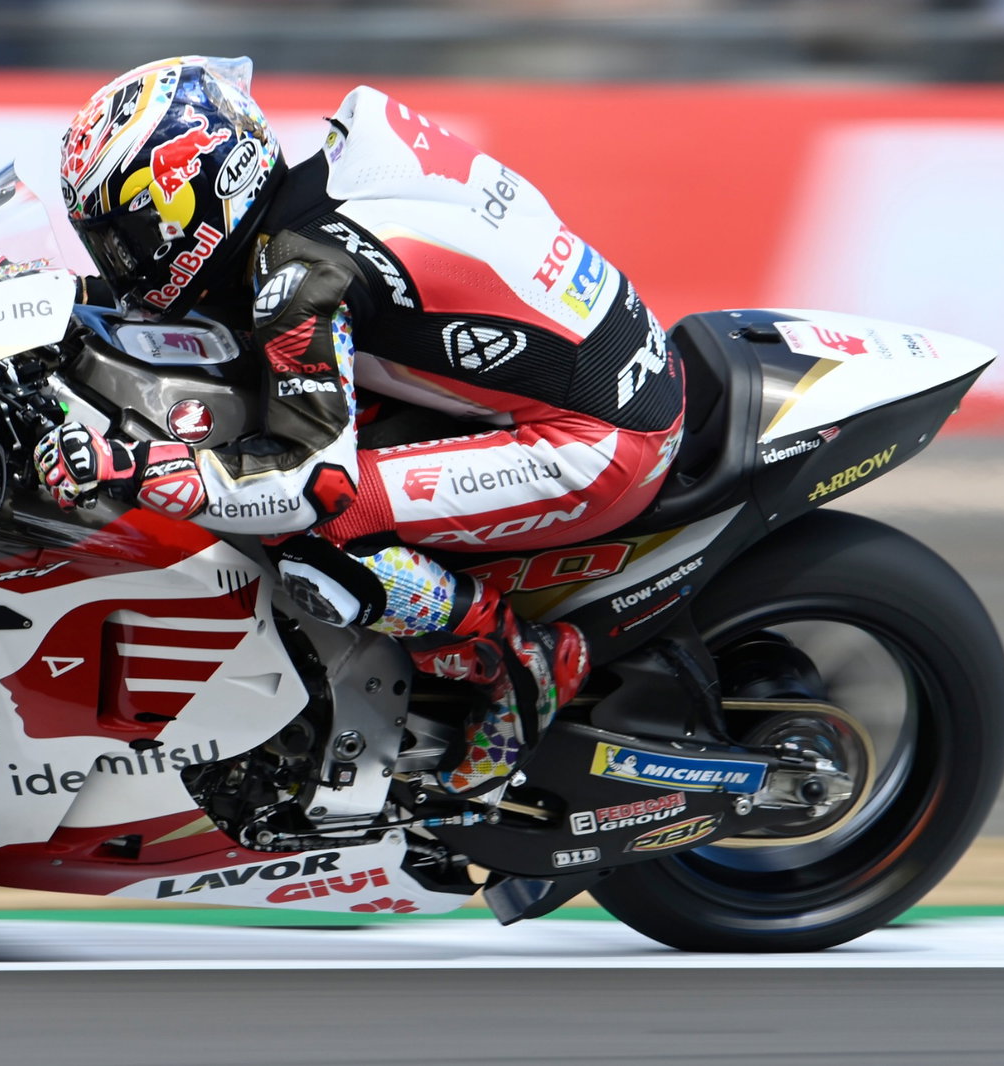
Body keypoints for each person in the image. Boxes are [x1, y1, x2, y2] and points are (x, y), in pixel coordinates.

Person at [33, 56, 685, 794]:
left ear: (196, 198)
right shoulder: (329, 182)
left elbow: (310, 484)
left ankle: (517, 667)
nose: (124, 262)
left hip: (598, 441)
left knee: (315, 537)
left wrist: (133, 469)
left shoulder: (302, 276)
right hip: (602, 363)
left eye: (130, 236)